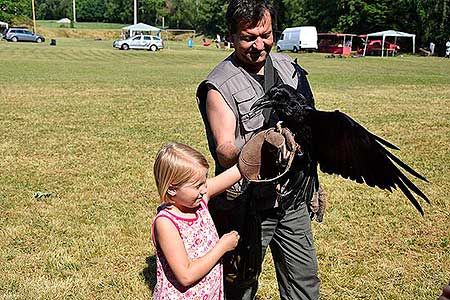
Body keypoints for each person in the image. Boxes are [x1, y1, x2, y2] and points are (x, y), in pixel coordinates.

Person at [196, 0, 322, 299]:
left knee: (304, 283)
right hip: (247, 205)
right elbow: (224, 148)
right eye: (248, 37)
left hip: (291, 198)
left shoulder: (289, 69)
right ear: (232, 36)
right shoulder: (219, 85)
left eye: (265, 35)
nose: (259, 45)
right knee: (240, 284)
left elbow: (312, 123)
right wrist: (254, 152)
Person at [152, 142, 241, 299]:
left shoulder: (200, 201)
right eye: (197, 185)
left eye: (204, 181)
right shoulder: (166, 223)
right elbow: (185, 275)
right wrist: (222, 247)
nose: (204, 189)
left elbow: (235, 173)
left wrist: (256, 154)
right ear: (172, 188)